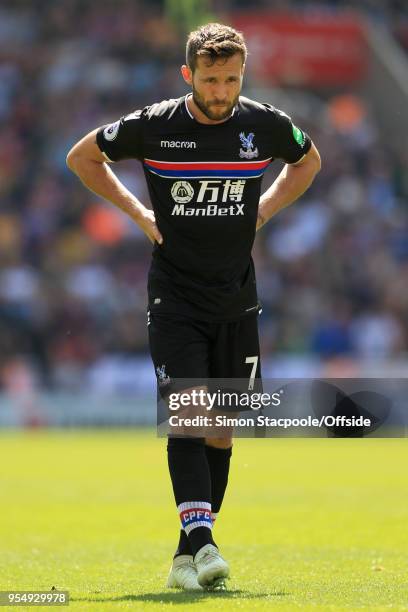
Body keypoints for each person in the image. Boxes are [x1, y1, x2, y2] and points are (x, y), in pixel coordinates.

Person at [66, 22, 321, 591]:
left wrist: (263, 210)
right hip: (175, 295)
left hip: (236, 297)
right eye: (210, 80)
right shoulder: (155, 125)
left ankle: (188, 553)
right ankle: (205, 543)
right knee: (189, 413)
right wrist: (138, 213)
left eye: (231, 79)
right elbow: (83, 157)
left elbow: (307, 161)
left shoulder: (264, 124)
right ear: (189, 75)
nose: (221, 91)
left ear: (242, 76)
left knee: (222, 430)